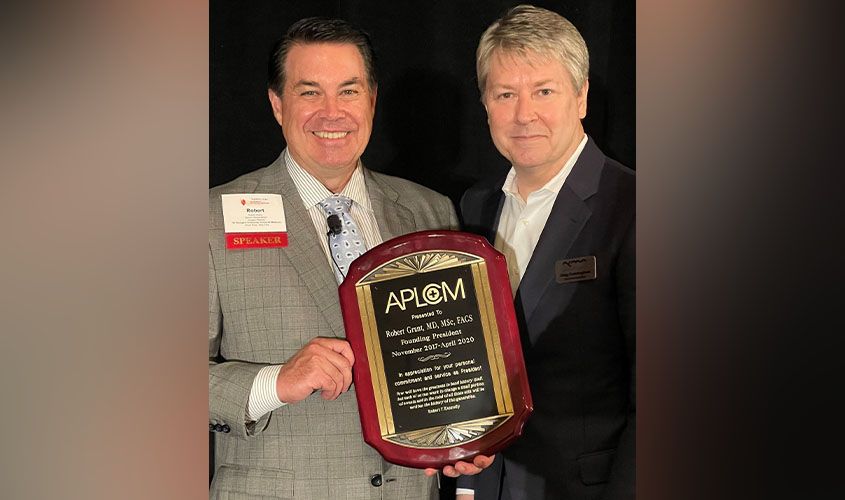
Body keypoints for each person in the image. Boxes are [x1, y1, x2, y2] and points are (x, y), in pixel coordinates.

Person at [208, 17, 460, 499]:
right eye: (309, 93)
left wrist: (470, 436)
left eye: (349, 90)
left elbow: (452, 361)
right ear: (277, 104)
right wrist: (274, 382)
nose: (332, 112)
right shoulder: (212, 219)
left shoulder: (430, 211)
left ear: (372, 100)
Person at [455, 5, 635, 499]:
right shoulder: (476, 205)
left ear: (581, 98)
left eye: (544, 91)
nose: (523, 114)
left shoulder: (634, 207)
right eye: (505, 94)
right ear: (485, 103)